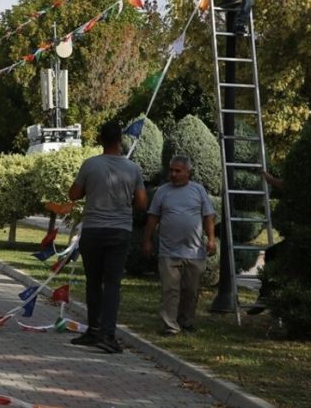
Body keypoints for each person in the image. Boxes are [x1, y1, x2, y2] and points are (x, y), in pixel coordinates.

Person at [67, 121, 148, 354]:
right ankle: (107, 334)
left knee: (93, 281)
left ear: (101, 140)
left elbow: (74, 194)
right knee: (112, 284)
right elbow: (142, 203)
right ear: (120, 140)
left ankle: (93, 330)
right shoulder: (132, 169)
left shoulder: (90, 165)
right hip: (119, 231)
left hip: (93, 229)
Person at [143, 155, 217, 336]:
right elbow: (153, 217)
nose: (174, 174)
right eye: (171, 170)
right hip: (169, 251)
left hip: (194, 250)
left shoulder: (198, 190)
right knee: (170, 289)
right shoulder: (162, 191)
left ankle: (187, 321)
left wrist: (212, 239)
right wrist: (147, 240)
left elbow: (208, 216)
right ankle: (170, 325)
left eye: (178, 171)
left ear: (187, 172)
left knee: (190, 291)